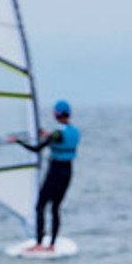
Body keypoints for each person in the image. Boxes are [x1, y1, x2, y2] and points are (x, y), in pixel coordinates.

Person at [17, 100, 78, 250]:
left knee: (40, 206)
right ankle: (52, 245)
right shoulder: (74, 131)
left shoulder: (57, 134)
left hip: (55, 172)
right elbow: (59, 137)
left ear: (56, 114)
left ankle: (38, 243)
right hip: (68, 172)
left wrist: (18, 141)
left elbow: (36, 149)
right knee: (56, 208)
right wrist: (47, 135)